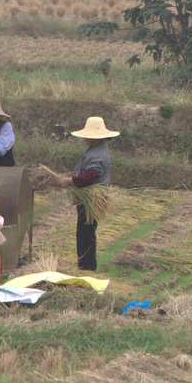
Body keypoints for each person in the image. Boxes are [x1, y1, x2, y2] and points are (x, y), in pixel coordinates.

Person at [58, 116, 119, 272]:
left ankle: (87, 268)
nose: (85, 139)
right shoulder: (94, 149)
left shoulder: (98, 154)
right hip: (86, 199)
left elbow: (90, 178)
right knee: (83, 233)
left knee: (86, 235)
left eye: (88, 136)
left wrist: (70, 181)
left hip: (91, 200)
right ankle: (84, 266)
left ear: (95, 137)